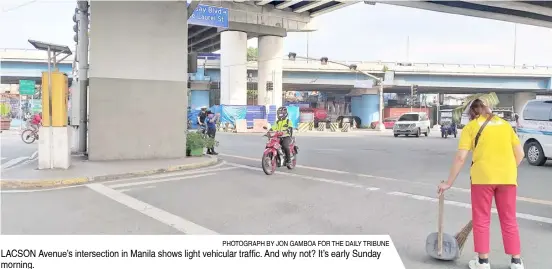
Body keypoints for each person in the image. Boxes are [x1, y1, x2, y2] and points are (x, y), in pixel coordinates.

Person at [437, 99, 525, 269]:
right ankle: (516, 261)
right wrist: (505, 170)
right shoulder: (505, 125)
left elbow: (461, 157)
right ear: (489, 108)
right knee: (509, 219)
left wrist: (448, 183)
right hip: (507, 178)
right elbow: (520, 154)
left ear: (471, 112)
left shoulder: (471, 127)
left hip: (482, 179)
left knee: (481, 219)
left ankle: (483, 262)